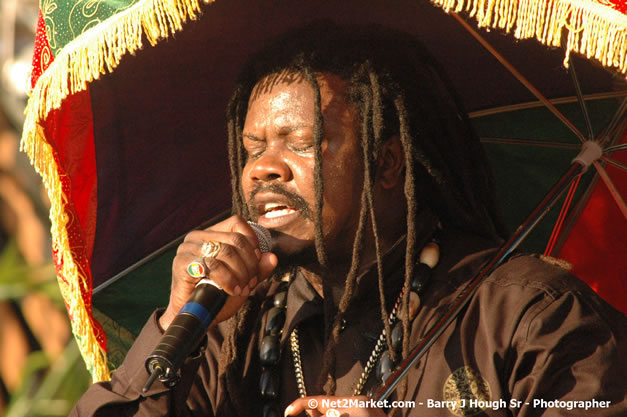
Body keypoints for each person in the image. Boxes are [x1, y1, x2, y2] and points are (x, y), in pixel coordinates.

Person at [71, 22, 626, 417]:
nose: (262, 169)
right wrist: (176, 321)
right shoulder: (233, 329)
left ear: (386, 163)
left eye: (301, 143)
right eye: (252, 149)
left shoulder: (528, 314)